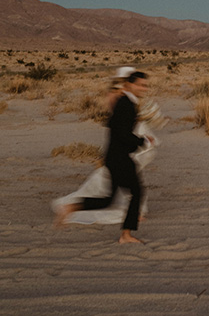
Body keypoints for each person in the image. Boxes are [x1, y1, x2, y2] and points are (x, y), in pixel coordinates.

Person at [55, 71, 154, 244]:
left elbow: (113, 125)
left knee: (107, 200)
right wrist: (142, 140)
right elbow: (122, 133)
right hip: (120, 158)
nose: (143, 88)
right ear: (129, 85)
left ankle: (71, 208)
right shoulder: (126, 104)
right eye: (140, 85)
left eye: (145, 85)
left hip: (113, 157)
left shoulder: (125, 102)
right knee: (137, 192)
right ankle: (126, 235)